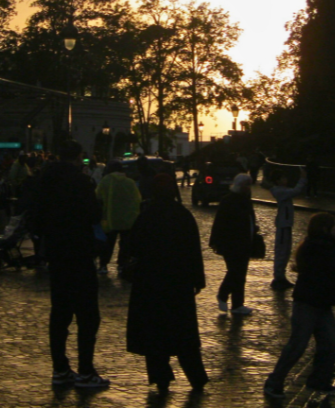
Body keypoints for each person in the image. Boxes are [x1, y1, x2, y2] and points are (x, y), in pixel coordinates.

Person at [264, 213, 335, 398]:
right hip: (309, 303)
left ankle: (318, 380)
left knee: (330, 344)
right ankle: (274, 382)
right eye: (334, 226)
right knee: (298, 345)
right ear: (325, 229)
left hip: (320, 303)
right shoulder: (321, 247)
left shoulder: (320, 245)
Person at [31, 141, 109, 388]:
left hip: (56, 251)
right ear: (78, 157)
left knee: (60, 312)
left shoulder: (45, 180)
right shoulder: (80, 181)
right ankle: (86, 370)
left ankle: (60, 368)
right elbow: (93, 214)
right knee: (88, 314)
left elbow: (36, 215)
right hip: (79, 250)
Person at [125, 173, 208, 393]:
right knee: (184, 332)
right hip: (178, 282)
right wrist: (198, 279)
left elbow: (133, 247)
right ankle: (196, 377)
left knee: (154, 332)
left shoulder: (146, 216)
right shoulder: (182, 215)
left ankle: (161, 377)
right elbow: (193, 250)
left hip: (150, 282)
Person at [209, 173, 259, 316]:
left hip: (244, 242)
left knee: (239, 273)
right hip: (232, 243)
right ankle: (224, 295)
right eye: (247, 185)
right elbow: (220, 222)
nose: (249, 188)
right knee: (235, 272)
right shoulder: (230, 201)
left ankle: (237, 304)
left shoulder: (244, 200)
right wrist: (215, 241)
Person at [96, 160, 142, 276]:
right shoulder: (130, 182)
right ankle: (122, 264)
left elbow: (98, 196)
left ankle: (103, 265)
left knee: (108, 243)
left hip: (109, 218)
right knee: (125, 244)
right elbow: (137, 199)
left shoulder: (106, 181)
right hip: (127, 218)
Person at [270, 169, 307, 291]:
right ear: (278, 180)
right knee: (282, 251)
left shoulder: (281, 190)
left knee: (285, 251)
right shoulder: (280, 191)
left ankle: (281, 275)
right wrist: (302, 179)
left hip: (285, 224)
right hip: (283, 225)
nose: (286, 180)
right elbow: (296, 191)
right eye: (283, 178)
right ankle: (278, 277)